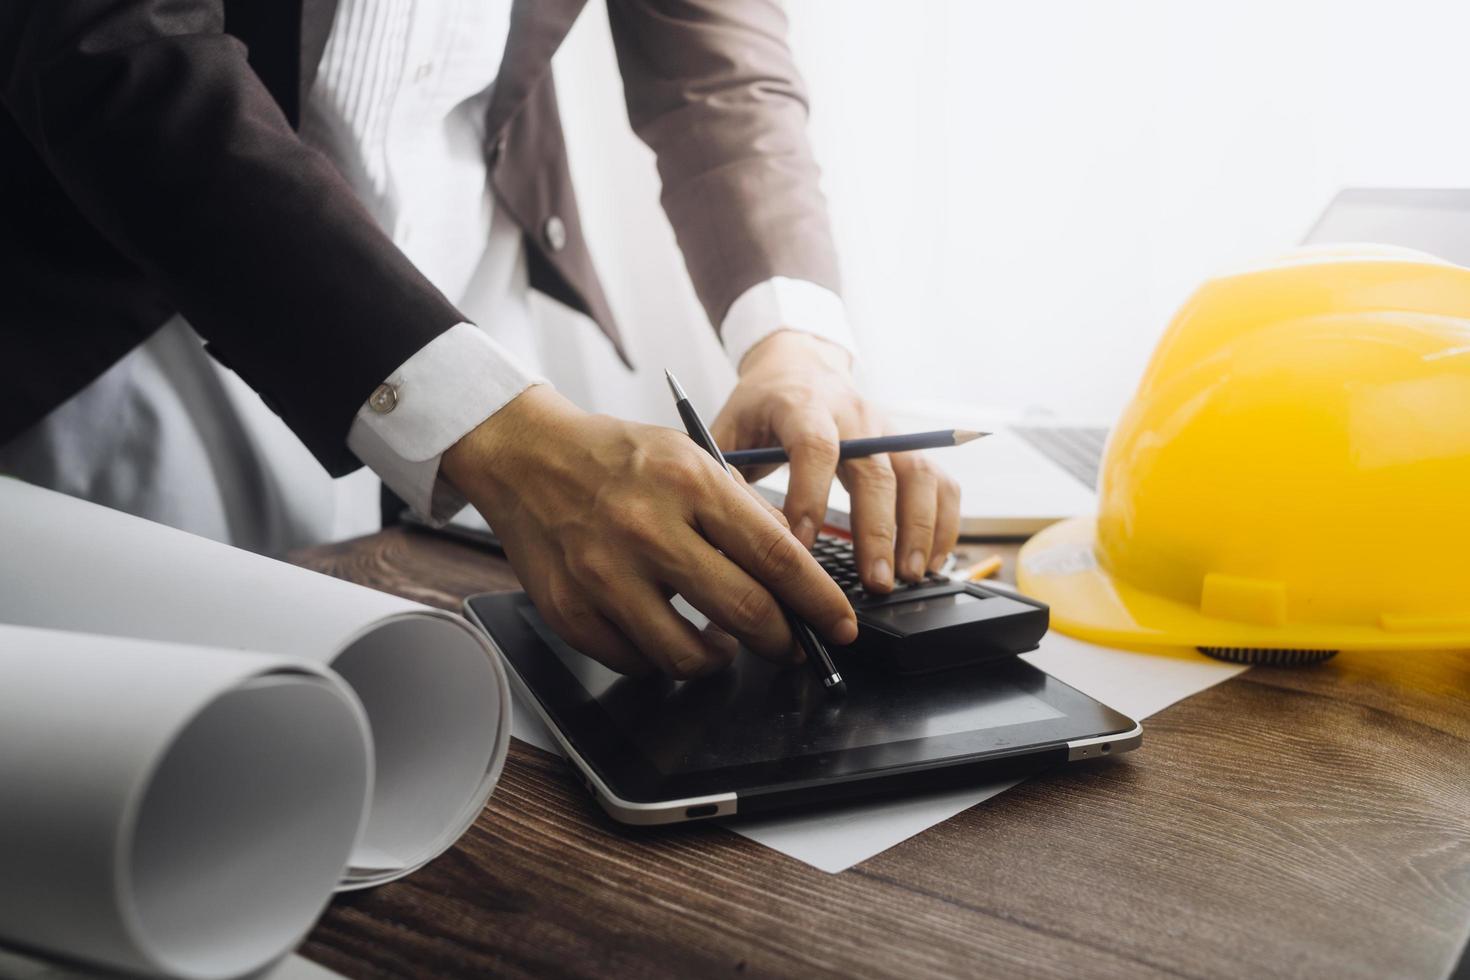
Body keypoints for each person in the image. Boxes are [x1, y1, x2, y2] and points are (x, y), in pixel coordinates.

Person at [0, 0, 960, 679]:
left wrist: (794, 339)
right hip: (141, 317)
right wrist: (493, 431)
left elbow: (721, 70)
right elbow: (112, 43)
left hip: (481, 305)